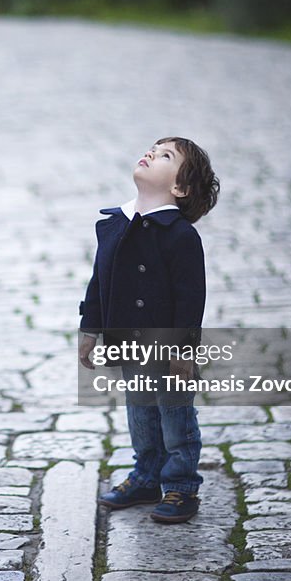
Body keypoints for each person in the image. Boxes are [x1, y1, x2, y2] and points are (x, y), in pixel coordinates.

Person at [78, 136, 219, 523]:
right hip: (130, 347)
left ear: (180, 188)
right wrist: (89, 330)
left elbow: (192, 299)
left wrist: (184, 350)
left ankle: (180, 486)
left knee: (176, 421)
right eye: (153, 149)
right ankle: (146, 476)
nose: (151, 153)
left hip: (170, 351)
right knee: (140, 418)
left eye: (165, 156)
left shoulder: (180, 236)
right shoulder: (114, 226)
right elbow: (99, 283)